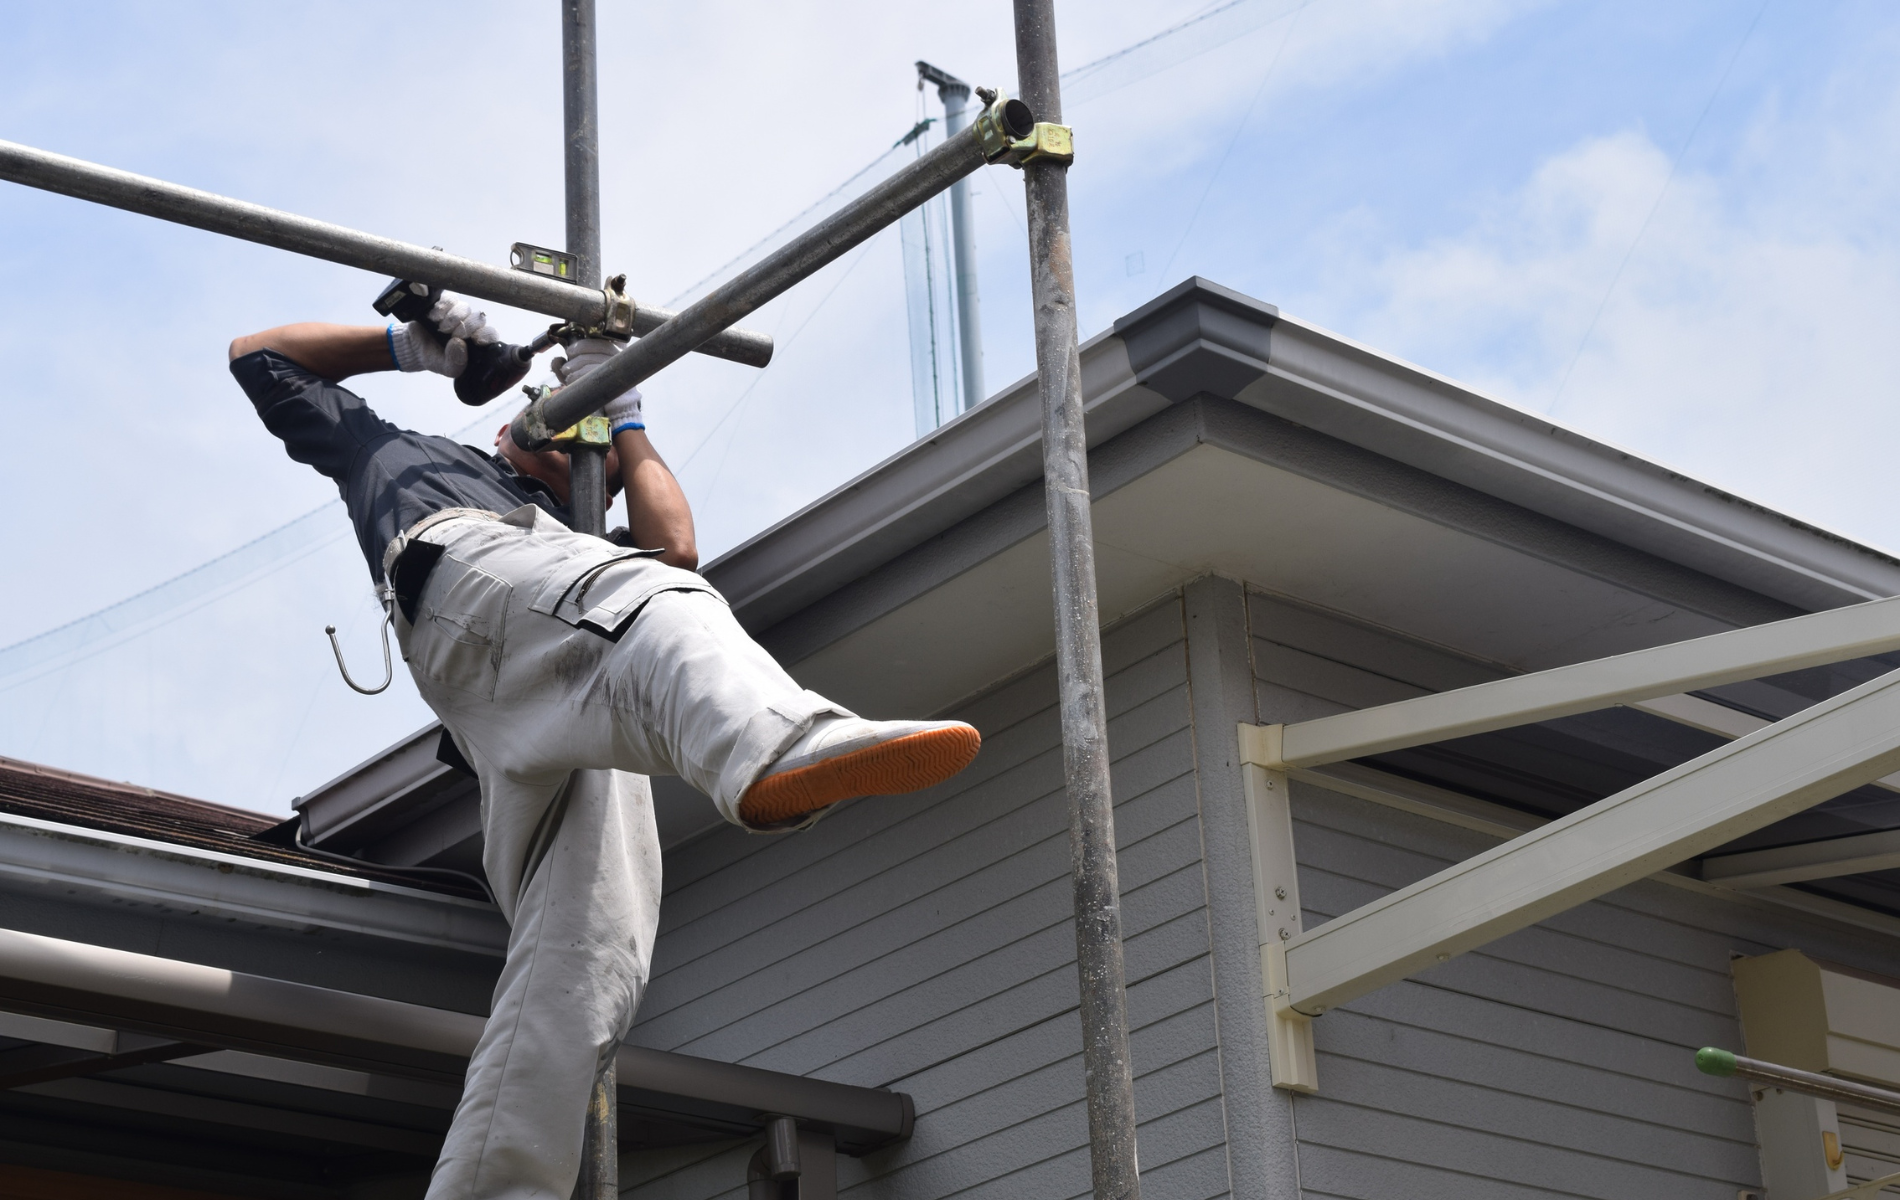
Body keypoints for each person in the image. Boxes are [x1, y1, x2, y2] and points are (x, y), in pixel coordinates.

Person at [229, 295, 981, 1200]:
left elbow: (677, 547)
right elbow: (260, 354)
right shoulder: (409, 456)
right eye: (561, 417)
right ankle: (776, 743)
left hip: (533, 685)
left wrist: (626, 415)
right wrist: (410, 347)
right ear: (512, 427)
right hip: (472, 578)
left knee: (588, 957)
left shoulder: (582, 541)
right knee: (658, 606)